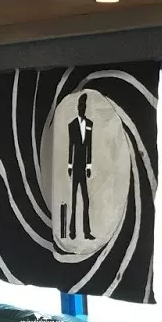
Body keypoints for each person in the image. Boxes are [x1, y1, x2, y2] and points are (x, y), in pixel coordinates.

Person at [66, 93, 94, 240]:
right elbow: (71, 146)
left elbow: (90, 146)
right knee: (73, 200)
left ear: (85, 108)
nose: (82, 109)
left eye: (84, 106)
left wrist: (89, 166)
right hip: (75, 166)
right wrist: (69, 165)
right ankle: (72, 231)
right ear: (77, 108)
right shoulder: (72, 125)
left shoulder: (89, 124)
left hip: (83, 167)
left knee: (85, 200)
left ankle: (86, 232)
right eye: (80, 106)